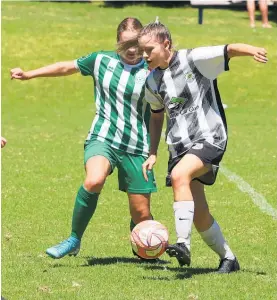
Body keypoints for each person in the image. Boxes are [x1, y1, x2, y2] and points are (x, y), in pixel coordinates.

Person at [119, 19, 267, 273]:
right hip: (179, 147)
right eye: (142, 51)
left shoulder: (195, 59)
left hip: (210, 137)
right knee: (200, 213)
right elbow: (157, 116)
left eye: (149, 50)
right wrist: (153, 152)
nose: (145, 56)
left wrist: (252, 49)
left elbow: (228, 49)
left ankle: (182, 244)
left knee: (179, 175)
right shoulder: (152, 81)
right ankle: (228, 259)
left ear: (167, 44)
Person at [10, 17, 158, 260]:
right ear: (117, 42)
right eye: (125, 44)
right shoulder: (101, 60)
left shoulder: (152, 67)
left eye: (136, 43)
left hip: (137, 145)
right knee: (93, 180)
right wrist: (30, 74)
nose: (132, 50)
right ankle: (74, 239)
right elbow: (66, 67)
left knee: (141, 214)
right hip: (103, 137)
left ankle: (146, 247)